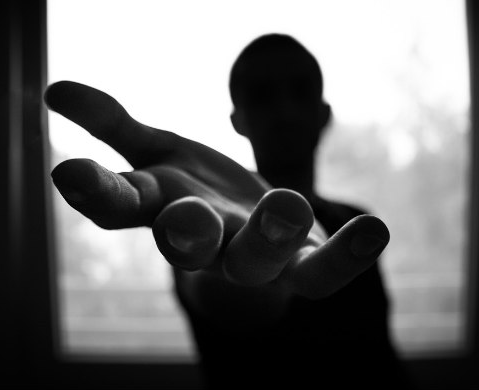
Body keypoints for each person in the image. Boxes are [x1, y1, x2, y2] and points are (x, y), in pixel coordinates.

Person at [45, 33, 410, 389]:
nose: (284, 110)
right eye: (262, 95)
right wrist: (245, 271)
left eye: (300, 90)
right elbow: (224, 297)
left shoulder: (354, 219)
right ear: (238, 120)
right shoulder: (211, 223)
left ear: (324, 113)